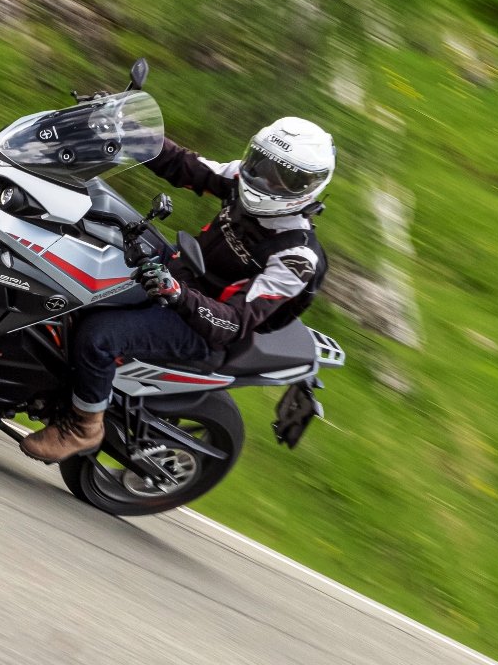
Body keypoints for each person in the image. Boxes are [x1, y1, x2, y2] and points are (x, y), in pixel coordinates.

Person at [20, 117, 335, 463]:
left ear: (307, 188)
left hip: (205, 326)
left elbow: (234, 322)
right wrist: (125, 131)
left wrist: (178, 295)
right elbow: (183, 164)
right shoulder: (243, 181)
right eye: (262, 163)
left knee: (99, 337)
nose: (264, 179)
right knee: (89, 232)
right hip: (178, 273)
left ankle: (84, 427)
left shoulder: (296, 257)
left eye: (283, 176)